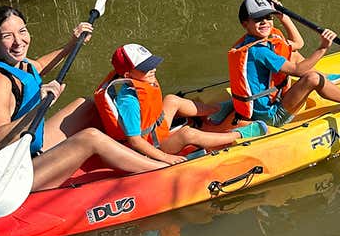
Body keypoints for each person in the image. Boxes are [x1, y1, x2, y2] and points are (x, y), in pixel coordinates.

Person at [0, 6, 165, 189]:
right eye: (7, 36)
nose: (18, 41)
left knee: (85, 105)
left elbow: (39, 67)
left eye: (22, 31)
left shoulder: (15, 63)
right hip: (7, 174)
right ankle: (161, 169)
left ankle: (135, 144)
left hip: (27, 151)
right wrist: (41, 102)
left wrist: (73, 43)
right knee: (90, 138)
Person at [93, 43, 250, 166]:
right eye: (145, 68)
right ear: (128, 75)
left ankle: (215, 111)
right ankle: (240, 134)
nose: (152, 69)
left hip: (155, 130)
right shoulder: (129, 102)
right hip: (153, 148)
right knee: (187, 134)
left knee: (171, 100)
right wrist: (165, 157)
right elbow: (135, 141)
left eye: (151, 63)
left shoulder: (143, 80)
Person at [225, 0, 340, 126]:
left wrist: (284, 17)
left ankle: (326, 79)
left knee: (293, 54)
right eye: (257, 19)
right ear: (245, 24)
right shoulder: (260, 51)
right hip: (272, 116)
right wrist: (323, 48)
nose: (265, 22)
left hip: (258, 108)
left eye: (268, 17)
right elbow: (298, 71)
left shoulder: (250, 42)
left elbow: (298, 43)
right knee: (312, 78)